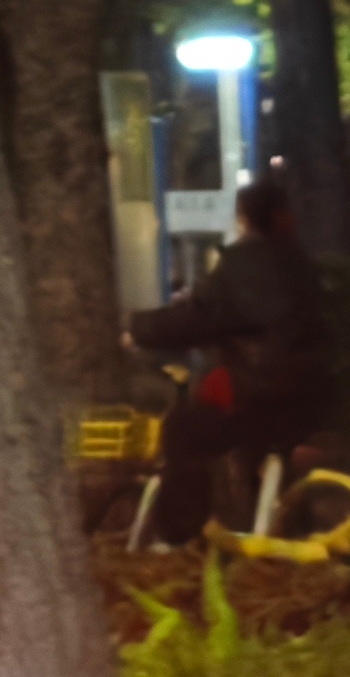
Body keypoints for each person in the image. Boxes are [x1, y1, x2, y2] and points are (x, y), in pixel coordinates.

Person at [128, 177, 332, 545]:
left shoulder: (246, 264)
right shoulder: (301, 264)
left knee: (182, 432)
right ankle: (263, 520)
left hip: (255, 400)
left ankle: (180, 536)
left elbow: (199, 318)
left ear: (244, 218)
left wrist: (137, 328)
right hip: (305, 403)